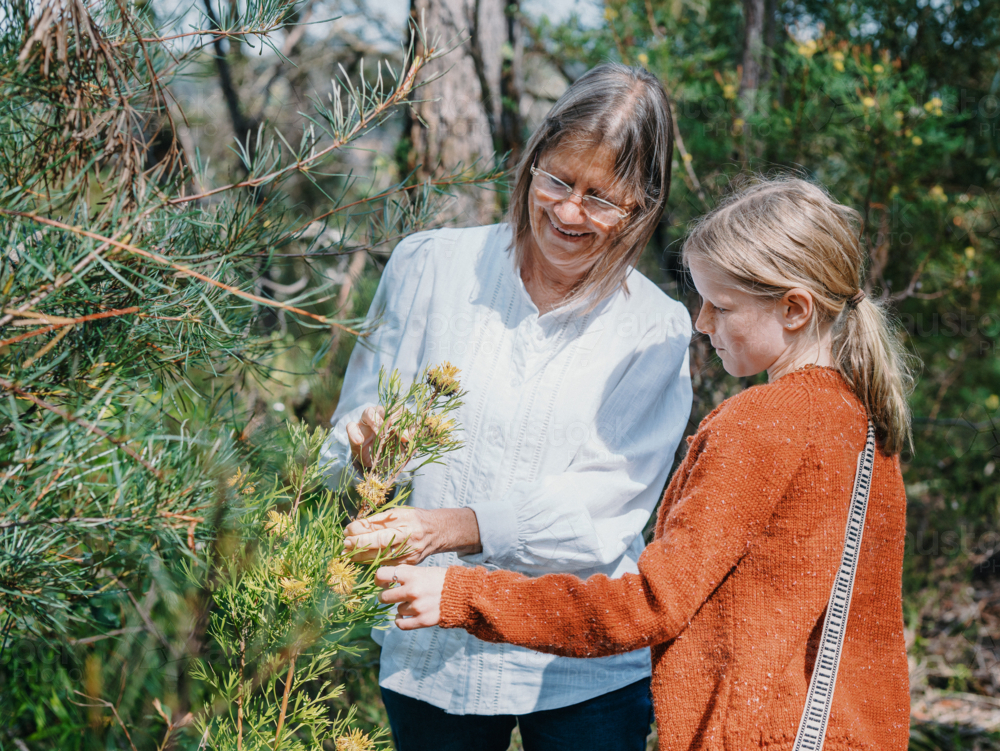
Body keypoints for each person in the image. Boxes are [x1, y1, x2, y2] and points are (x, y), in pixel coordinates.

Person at [376, 177, 914, 751]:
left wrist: (463, 596)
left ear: (794, 308)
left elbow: (649, 605)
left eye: (721, 305)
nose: (702, 322)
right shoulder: (863, 419)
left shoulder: (760, 423)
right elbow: (870, 639)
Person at [321, 63, 693, 750]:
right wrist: (362, 449)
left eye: (601, 197)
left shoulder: (654, 330)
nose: (569, 211)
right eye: (556, 179)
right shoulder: (427, 266)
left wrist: (456, 525)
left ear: (642, 206)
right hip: (434, 647)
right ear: (532, 162)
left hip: (580, 666)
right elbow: (341, 448)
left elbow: (603, 512)